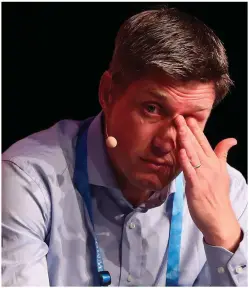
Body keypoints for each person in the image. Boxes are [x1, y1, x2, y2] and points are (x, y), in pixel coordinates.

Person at [2, 7, 247, 287]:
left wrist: (224, 237)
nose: (167, 142)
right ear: (108, 93)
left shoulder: (229, 193)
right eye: (152, 108)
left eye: (192, 120)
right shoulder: (26, 180)